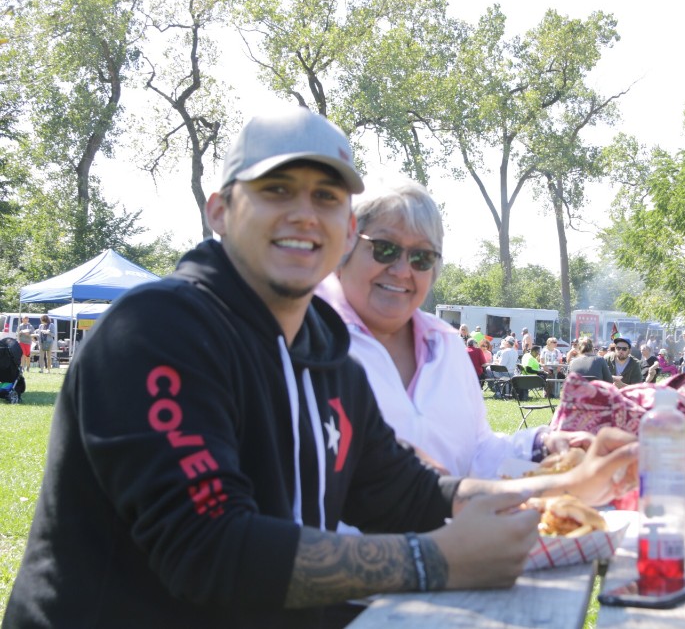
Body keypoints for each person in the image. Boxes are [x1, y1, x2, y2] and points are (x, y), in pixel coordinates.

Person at [3, 108, 638, 628]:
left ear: (341, 228)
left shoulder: (325, 352)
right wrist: (433, 561)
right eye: (277, 190)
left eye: (327, 196)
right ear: (219, 209)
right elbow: (209, 549)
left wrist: (563, 488)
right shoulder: (159, 331)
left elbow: (409, 493)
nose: (305, 213)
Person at [315, 181, 591, 479]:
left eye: (422, 257)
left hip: (459, 523)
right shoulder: (307, 339)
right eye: (385, 249)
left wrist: (541, 447)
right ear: (345, 247)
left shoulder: (445, 345)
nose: (402, 270)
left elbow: (476, 451)